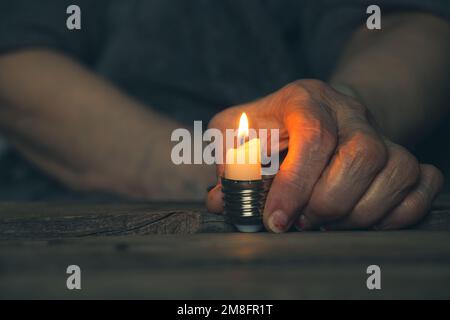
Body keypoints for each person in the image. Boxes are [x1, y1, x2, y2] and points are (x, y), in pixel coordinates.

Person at [0, 1, 448, 232]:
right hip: (87, 217)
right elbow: (15, 59)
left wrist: (348, 113)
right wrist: (200, 168)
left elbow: (412, 22)